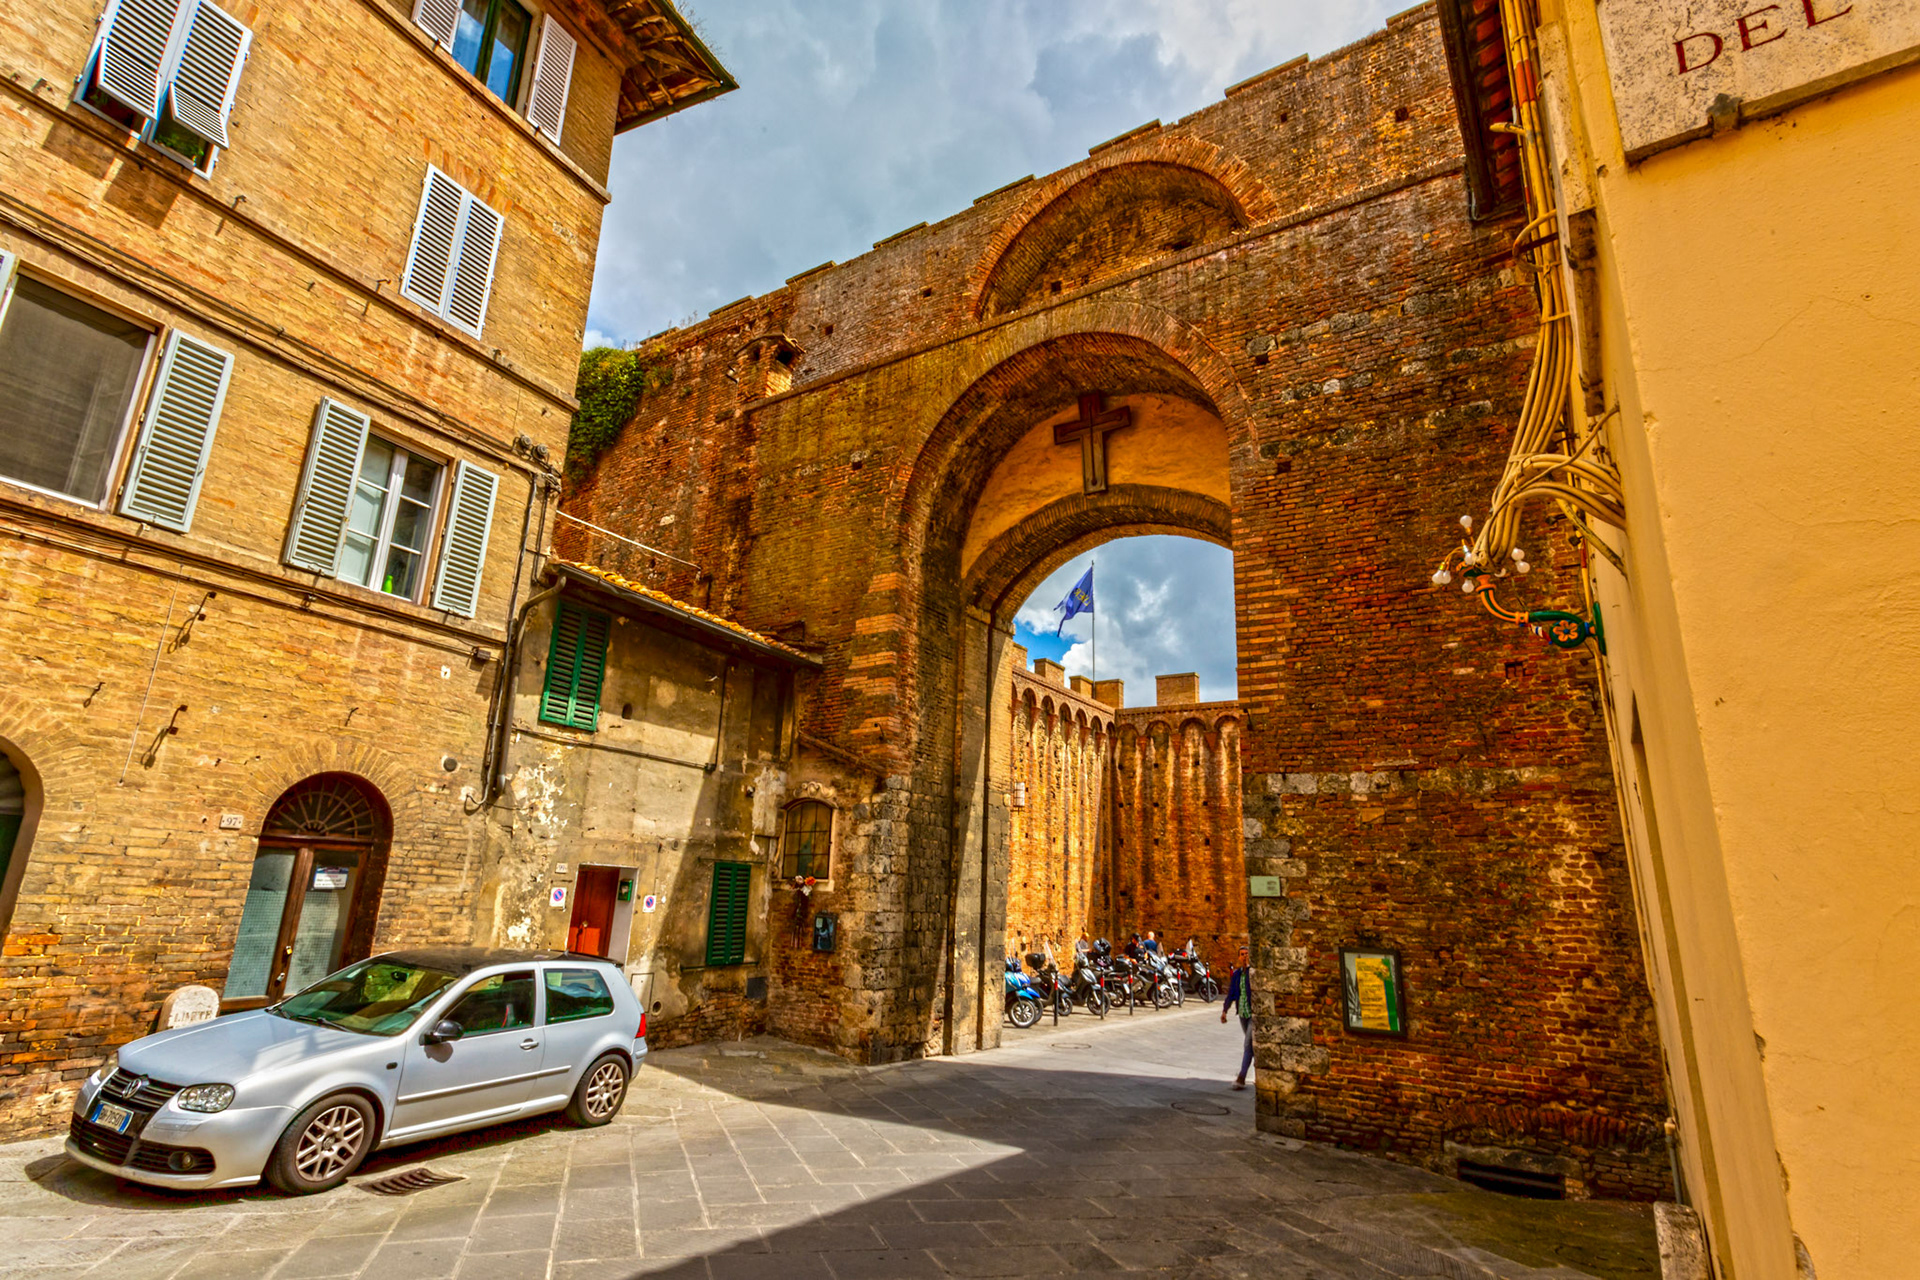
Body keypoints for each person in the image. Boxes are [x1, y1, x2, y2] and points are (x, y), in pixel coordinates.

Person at [1220, 945, 1254, 1090]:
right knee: (1252, 1046)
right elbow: (1232, 993)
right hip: (1242, 1013)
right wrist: (1225, 1010)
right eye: (1242, 954)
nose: (1244, 956)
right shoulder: (1236, 974)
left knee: (1248, 1044)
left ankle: (1241, 1077)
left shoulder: (1253, 973)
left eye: (1247, 954)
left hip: (1253, 1014)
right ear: (1239, 957)